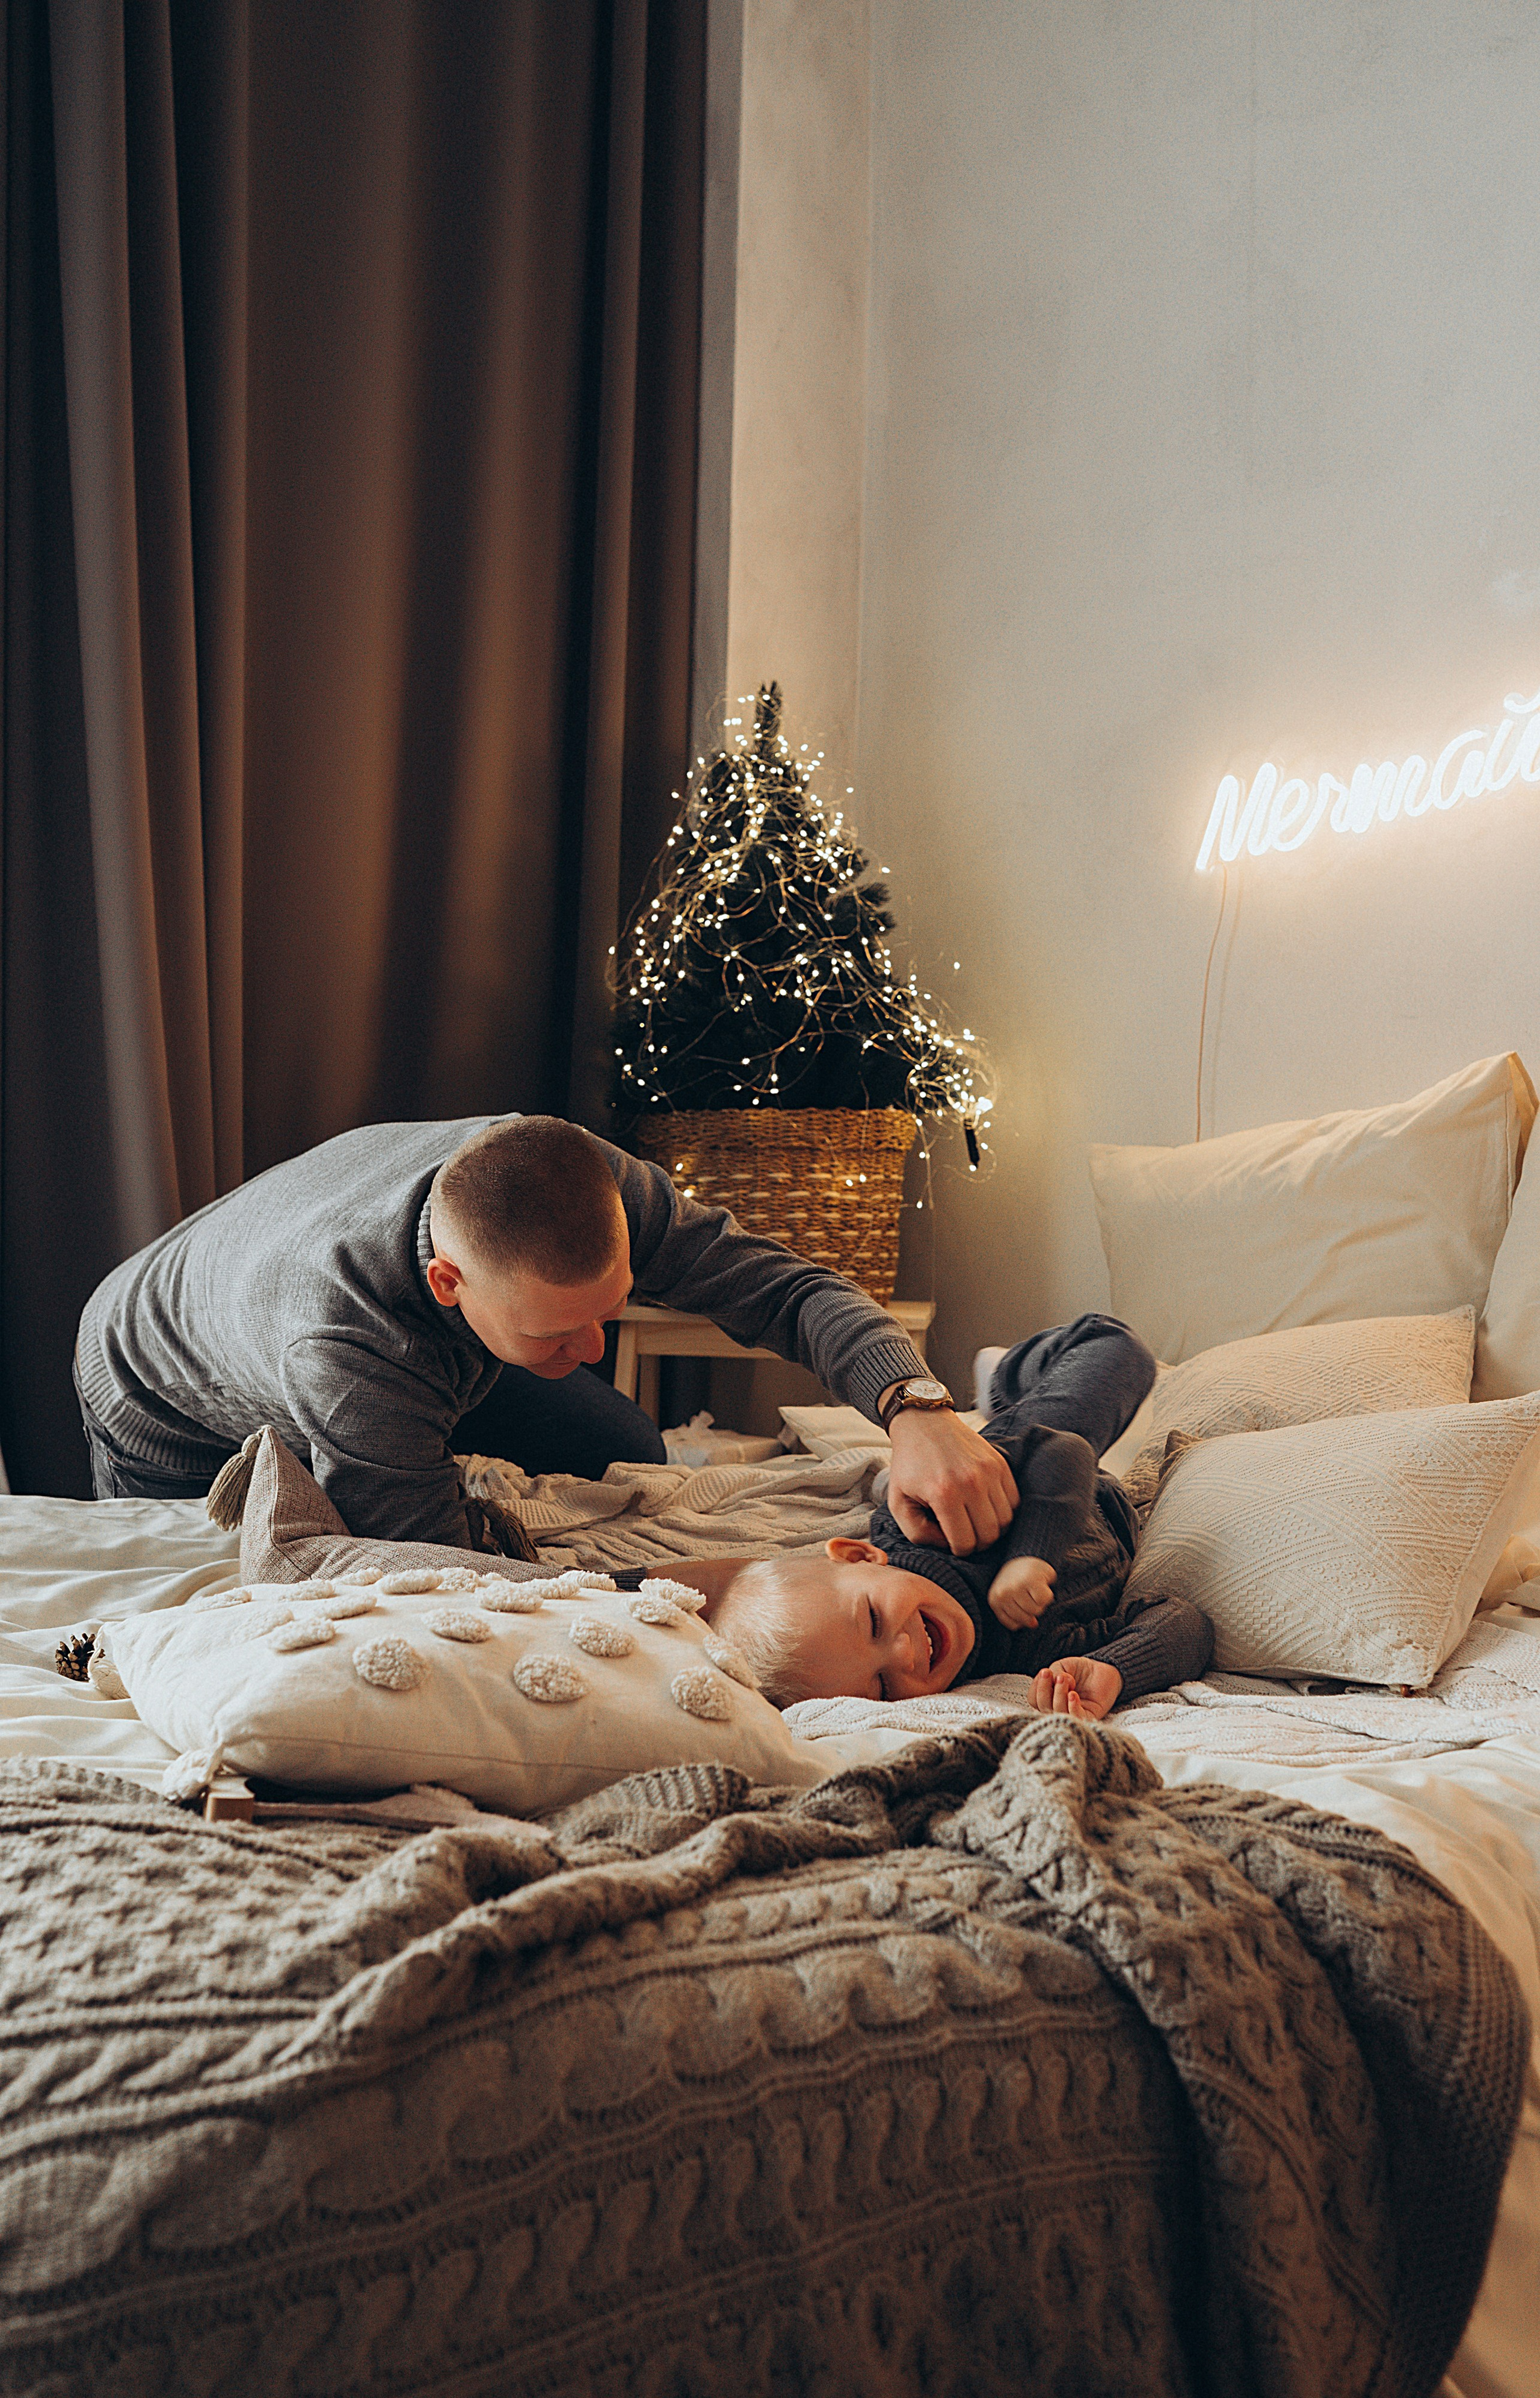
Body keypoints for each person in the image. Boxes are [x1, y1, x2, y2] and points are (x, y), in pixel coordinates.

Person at [74, 1114, 1018, 1552]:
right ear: (451, 1285)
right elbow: (436, 1572)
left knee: (620, 1440)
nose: (599, 1348)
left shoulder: (585, 1177)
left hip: (318, 1275)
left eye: (609, 1313)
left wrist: (919, 1409)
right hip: (155, 1382)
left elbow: (790, 1289)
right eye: (564, 1332)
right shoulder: (347, 1345)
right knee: (218, 1574)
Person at [611, 1314, 1213, 1719]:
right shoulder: (1024, 1655)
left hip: (1020, 1451)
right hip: (1114, 1506)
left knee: (1116, 1351)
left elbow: (1061, 1451)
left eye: (874, 1618)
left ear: (861, 1555)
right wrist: (1114, 1670)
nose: (904, 1657)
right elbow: (1184, 1622)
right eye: (880, 1688)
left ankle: (1004, 1386)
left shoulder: (931, 1521)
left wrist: (1030, 1552)